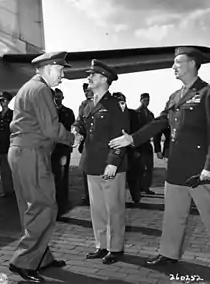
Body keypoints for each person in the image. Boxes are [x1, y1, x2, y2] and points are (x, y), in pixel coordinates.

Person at [109, 46, 210, 266]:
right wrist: (133, 139)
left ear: (192, 64)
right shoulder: (175, 96)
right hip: (176, 166)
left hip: (200, 169)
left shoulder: (207, 93)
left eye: (178, 62)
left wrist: (209, 168)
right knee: (174, 214)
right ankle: (168, 254)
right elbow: (160, 122)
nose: (173, 66)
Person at [8, 51, 81, 282]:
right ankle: (23, 262)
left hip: (21, 151)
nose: (62, 75)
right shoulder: (41, 90)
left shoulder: (27, 87)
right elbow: (51, 129)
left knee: (30, 208)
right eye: (61, 70)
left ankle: (40, 257)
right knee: (45, 208)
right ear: (49, 68)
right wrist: (72, 138)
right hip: (32, 153)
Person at [73, 59, 130, 264]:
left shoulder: (116, 105)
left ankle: (115, 248)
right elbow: (79, 123)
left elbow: (122, 135)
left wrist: (113, 162)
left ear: (104, 79)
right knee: (97, 209)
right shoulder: (86, 104)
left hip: (110, 166)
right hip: (91, 164)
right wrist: (76, 131)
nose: (88, 77)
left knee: (113, 208)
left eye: (92, 75)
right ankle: (102, 245)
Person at [112, 92, 141, 203]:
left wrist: (136, 148)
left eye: (121, 100)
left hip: (130, 149)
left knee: (132, 174)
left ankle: (136, 196)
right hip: (116, 148)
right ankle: (117, 198)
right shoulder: (111, 114)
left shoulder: (132, 114)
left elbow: (137, 131)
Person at [51, 88, 75, 218]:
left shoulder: (68, 112)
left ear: (63, 98)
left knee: (62, 175)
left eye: (60, 97)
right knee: (51, 174)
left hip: (63, 149)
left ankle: (62, 200)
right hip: (50, 149)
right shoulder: (48, 112)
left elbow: (70, 129)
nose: (57, 99)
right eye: (56, 97)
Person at [76, 83, 94, 205]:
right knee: (86, 171)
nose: (87, 93)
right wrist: (75, 130)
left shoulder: (102, 102)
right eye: (85, 91)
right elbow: (79, 122)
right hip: (87, 144)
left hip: (100, 144)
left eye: (89, 90)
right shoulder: (83, 105)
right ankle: (88, 195)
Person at [0, 91, 14, 197]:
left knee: (12, 169)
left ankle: (14, 190)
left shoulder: (13, 114)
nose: (1, 102)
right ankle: (7, 190)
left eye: (3, 100)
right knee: (3, 170)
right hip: (1, 146)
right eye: (0, 100)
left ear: (8, 101)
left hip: (10, 145)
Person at [135, 93, 155, 195]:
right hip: (139, 145)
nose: (146, 102)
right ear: (141, 100)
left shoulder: (150, 114)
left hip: (147, 144)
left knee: (149, 167)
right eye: (144, 100)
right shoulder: (136, 114)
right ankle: (138, 188)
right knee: (140, 168)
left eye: (148, 100)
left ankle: (146, 187)